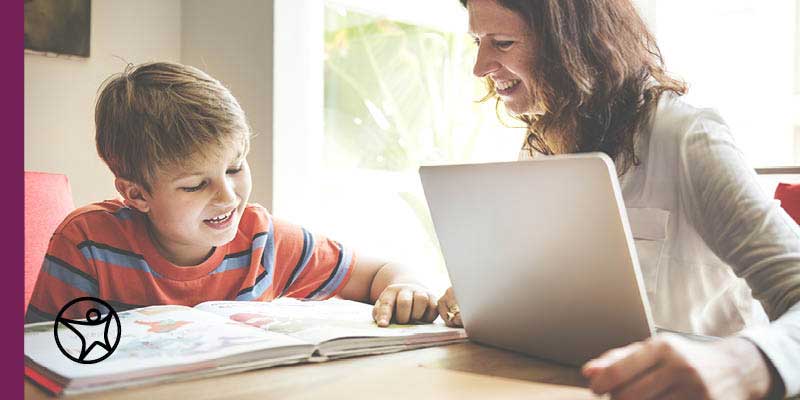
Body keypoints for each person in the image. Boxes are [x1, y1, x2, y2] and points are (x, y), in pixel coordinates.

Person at [437, 0, 800, 398]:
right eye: (478, 41)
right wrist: (487, 300)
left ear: (572, 43)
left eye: (503, 43)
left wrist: (744, 363)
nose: (480, 67)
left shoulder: (686, 137)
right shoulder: (542, 143)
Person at [26, 61, 440, 330]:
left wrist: (407, 286)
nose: (229, 196)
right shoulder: (86, 245)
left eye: (235, 168)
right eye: (195, 184)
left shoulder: (263, 240)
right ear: (137, 195)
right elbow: (37, 354)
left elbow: (380, 271)